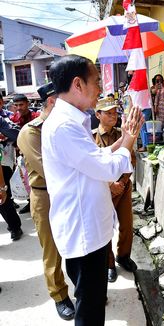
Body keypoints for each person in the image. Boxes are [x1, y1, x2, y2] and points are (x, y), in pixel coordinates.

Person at [42, 54, 144, 326]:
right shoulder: (64, 126)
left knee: (93, 304)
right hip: (84, 234)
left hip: (86, 230)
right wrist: (130, 139)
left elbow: (94, 158)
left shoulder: (71, 121)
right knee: (90, 312)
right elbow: (106, 168)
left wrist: (123, 140)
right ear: (78, 84)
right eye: (96, 82)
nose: (100, 89)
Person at [17, 82, 75, 320]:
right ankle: (59, 295)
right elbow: (47, 168)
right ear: (52, 102)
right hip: (44, 196)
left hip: (67, 193)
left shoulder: (61, 127)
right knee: (52, 251)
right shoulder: (31, 132)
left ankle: (78, 286)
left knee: (73, 244)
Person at [92, 97, 137, 283]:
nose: (113, 116)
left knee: (126, 223)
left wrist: (123, 181)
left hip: (124, 186)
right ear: (98, 115)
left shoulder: (122, 133)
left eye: (115, 112)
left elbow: (130, 159)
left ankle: (123, 256)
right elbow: (94, 165)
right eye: (108, 113)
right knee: (106, 227)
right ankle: (109, 263)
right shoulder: (91, 137)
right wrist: (111, 184)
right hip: (104, 188)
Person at [0, 106, 22, 241]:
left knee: (3, 199)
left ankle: (15, 227)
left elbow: (15, 133)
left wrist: (3, 135)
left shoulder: (2, 120)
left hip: (4, 164)